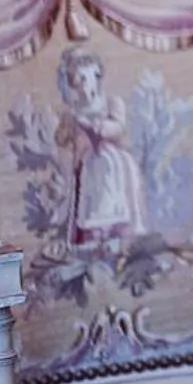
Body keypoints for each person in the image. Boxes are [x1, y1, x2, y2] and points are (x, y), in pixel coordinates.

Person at [54, 45, 148, 247]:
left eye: (88, 78)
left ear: (98, 76)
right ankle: (92, 240)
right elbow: (61, 139)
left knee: (112, 198)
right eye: (79, 80)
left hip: (112, 163)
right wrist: (67, 124)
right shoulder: (72, 111)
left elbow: (119, 127)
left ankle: (117, 238)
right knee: (87, 203)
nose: (85, 85)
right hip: (86, 167)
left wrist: (100, 126)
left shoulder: (111, 103)